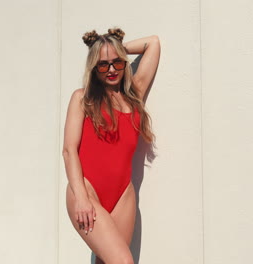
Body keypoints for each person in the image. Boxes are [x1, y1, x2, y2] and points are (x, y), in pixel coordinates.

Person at [62, 27, 160, 264]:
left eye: (117, 62)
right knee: (123, 261)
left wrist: (114, 48)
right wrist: (82, 198)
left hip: (123, 195)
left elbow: (153, 44)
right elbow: (69, 151)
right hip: (87, 190)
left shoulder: (134, 94)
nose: (112, 69)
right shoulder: (82, 98)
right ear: (94, 68)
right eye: (103, 64)